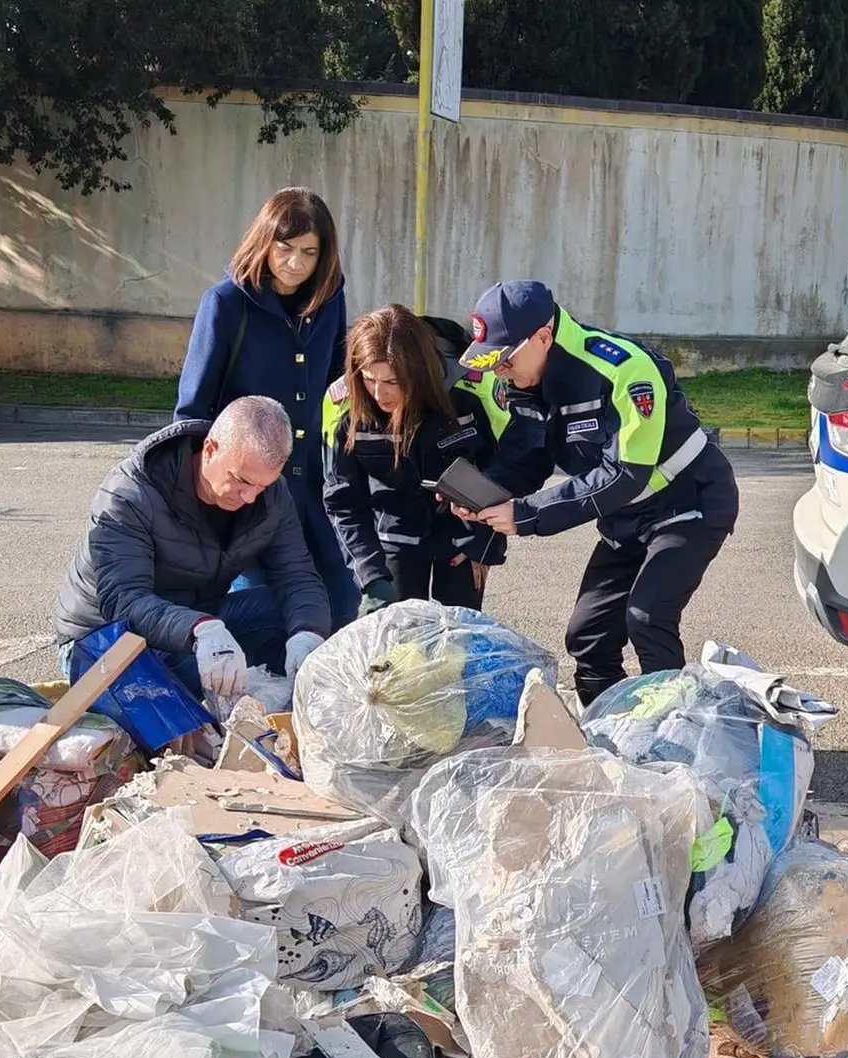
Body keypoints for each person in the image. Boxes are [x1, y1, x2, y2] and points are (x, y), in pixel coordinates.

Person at [455, 280, 738, 704]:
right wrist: (484, 494)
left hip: (687, 502)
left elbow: (626, 474)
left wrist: (528, 515)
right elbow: (527, 455)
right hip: (624, 517)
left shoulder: (624, 368)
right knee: (587, 636)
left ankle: (678, 735)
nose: (499, 371)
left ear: (543, 337)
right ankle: (607, 733)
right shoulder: (524, 376)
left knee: (647, 616)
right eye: (491, 361)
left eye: (505, 360)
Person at [53, 396, 334, 707]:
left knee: (289, 620)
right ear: (210, 449)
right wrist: (200, 629)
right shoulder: (131, 493)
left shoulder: (270, 494)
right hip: (105, 639)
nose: (251, 497)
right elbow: (123, 599)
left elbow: (297, 575)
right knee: (195, 696)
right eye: (241, 481)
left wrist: (307, 634)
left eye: (262, 486)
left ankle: (281, 712)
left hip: (200, 620)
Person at [175, 187, 360, 629]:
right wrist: (199, 497)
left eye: (309, 252)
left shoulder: (329, 299)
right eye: (286, 247)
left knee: (340, 601)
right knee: (262, 615)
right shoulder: (226, 303)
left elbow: (338, 384)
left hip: (314, 488)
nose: (296, 262)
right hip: (247, 492)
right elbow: (192, 407)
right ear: (265, 240)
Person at [323, 306, 506, 613]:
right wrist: (369, 573)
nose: (380, 394)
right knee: (399, 647)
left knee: (461, 640)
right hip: (392, 538)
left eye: (393, 381)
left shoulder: (469, 395)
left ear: (419, 371)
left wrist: (484, 545)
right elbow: (342, 501)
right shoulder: (344, 408)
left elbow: (499, 474)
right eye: (369, 379)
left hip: (461, 536)